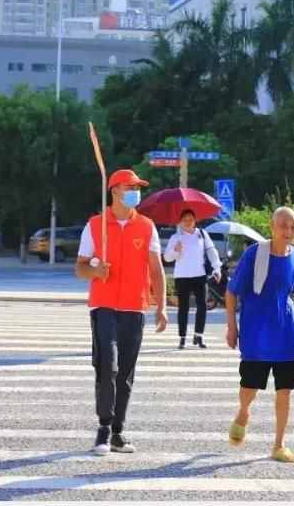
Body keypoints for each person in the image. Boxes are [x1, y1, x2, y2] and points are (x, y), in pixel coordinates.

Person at [75, 168, 168, 456]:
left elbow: (156, 269)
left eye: (137, 187)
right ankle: (103, 429)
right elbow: (80, 268)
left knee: (126, 372)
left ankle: (118, 433)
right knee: (108, 367)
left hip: (134, 307)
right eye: (131, 187)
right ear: (115, 190)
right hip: (104, 306)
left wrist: (162, 306)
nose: (135, 192)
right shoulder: (94, 225)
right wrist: (95, 269)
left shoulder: (146, 226)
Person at [224, 207, 294, 464]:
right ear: (272, 226)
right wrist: (231, 326)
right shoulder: (254, 254)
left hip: (288, 335)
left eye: (293, 227)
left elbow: (293, 293)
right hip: (257, 334)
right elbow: (231, 292)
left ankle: (279, 444)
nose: (288, 231)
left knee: (285, 390)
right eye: (283, 225)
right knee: (249, 387)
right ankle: (243, 412)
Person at [164, 209, 222, 349]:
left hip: (200, 275)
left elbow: (211, 251)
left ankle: (198, 335)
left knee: (202, 306)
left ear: (195, 220)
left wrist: (217, 268)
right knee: (183, 308)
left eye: (191, 219)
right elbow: (167, 257)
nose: (188, 222)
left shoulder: (202, 234)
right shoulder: (175, 238)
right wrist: (175, 251)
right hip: (182, 276)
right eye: (185, 219)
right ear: (181, 222)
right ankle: (182, 337)